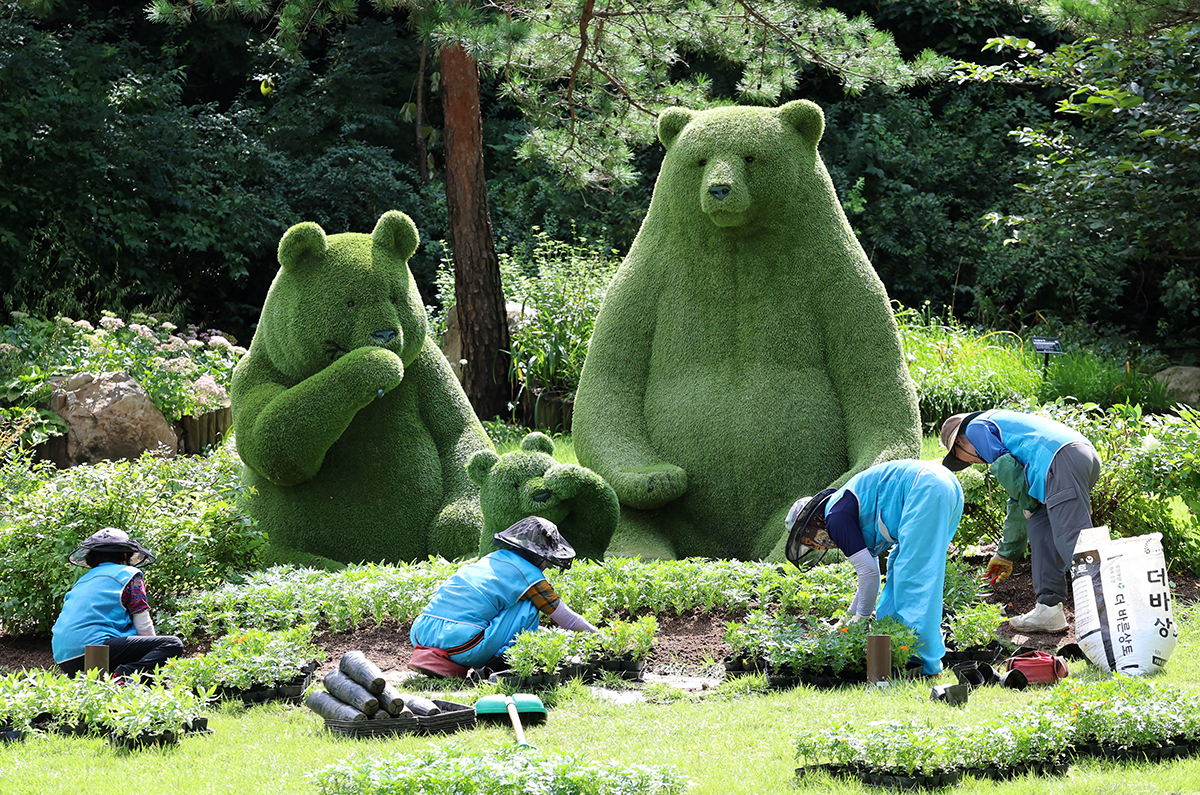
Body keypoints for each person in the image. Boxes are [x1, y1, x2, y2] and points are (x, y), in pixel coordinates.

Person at [785, 459, 964, 676]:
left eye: (809, 540)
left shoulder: (836, 518)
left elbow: (869, 574)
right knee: (899, 569)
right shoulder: (841, 507)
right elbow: (867, 578)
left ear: (813, 523)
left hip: (925, 489)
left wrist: (861, 619)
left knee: (914, 578)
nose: (814, 545)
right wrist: (848, 617)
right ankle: (896, 648)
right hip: (944, 484)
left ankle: (923, 665)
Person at [940, 409, 1101, 633]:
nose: (972, 462)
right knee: (1040, 525)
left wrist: (1025, 503)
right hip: (1072, 458)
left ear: (959, 441)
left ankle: (1110, 609)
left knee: (1072, 539)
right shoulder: (1000, 430)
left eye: (961, 457)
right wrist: (1005, 554)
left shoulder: (976, 428)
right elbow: (1019, 498)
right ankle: (1049, 610)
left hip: (1061, 458)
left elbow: (1011, 478)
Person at [408, 516, 598, 678]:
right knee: (531, 606)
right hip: (462, 645)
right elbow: (567, 619)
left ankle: (437, 658)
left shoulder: (490, 560)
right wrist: (601, 637)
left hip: (420, 633)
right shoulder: (529, 576)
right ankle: (499, 665)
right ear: (539, 555)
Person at [51, 528, 184, 680]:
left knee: (147, 681)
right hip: (98, 650)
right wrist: (152, 654)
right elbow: (142, 622)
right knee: (172, 644)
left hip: (65, 658)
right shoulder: (128, 573)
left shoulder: (84, 579)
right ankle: (122, 678)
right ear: (125, 554)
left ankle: (124, 679)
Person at [984, 453, 1038, 584]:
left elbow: (1025, 503)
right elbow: (1019, 508)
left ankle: (1050, 603)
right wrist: (1004, 555)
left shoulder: (995, 451)